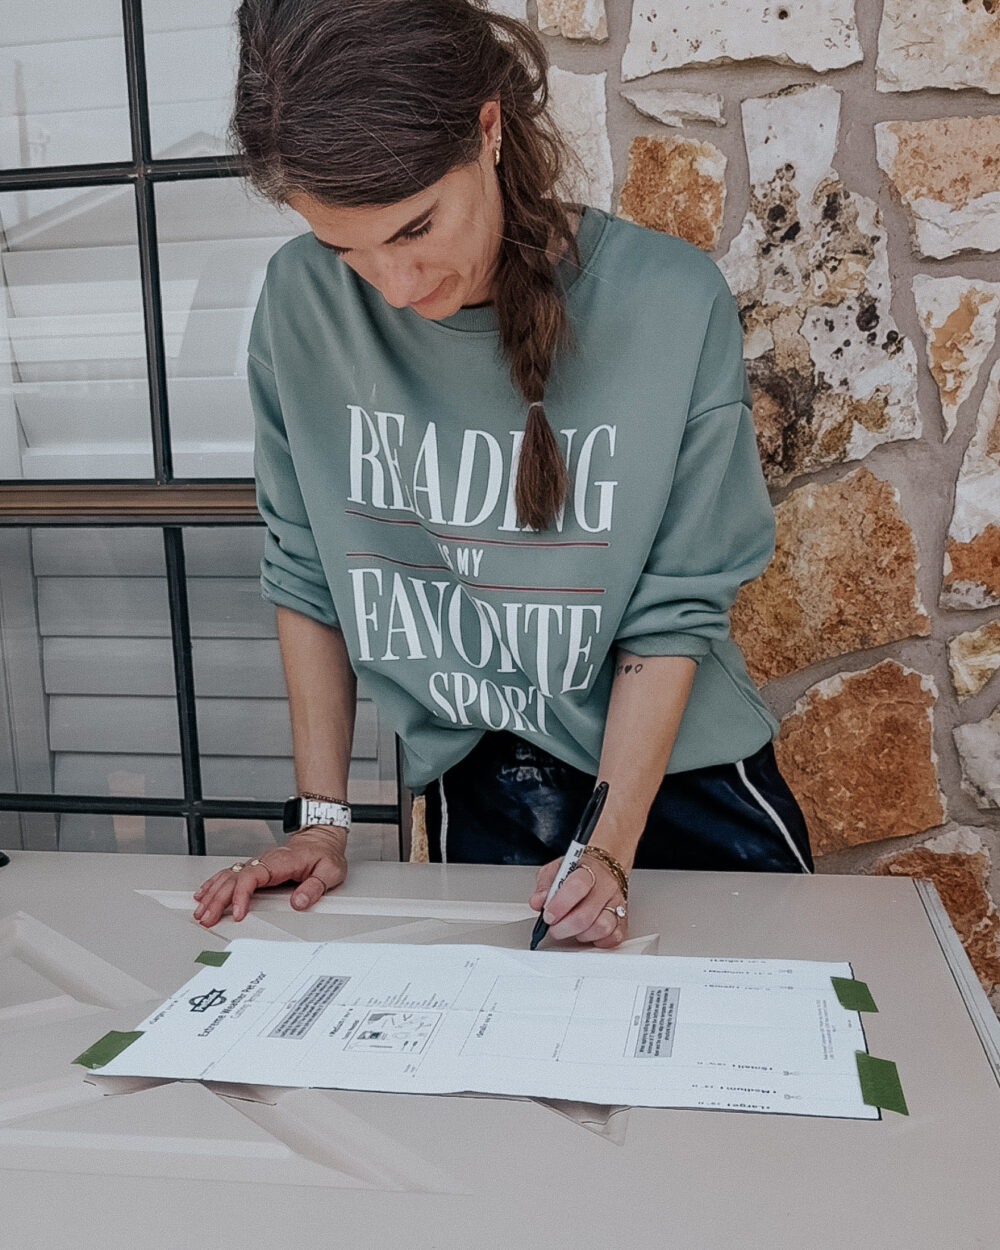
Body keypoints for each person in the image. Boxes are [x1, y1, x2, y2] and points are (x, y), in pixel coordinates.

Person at [194, 0, 813, 944]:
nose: (394, 288)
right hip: (477, 794)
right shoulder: (299, 309)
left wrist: (609, 847)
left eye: (413, 229)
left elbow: (674, 610)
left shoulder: (668, 303)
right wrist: (323, 823)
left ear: (486, 126)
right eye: (344, 249)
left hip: (683, 796)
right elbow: (307, 570)